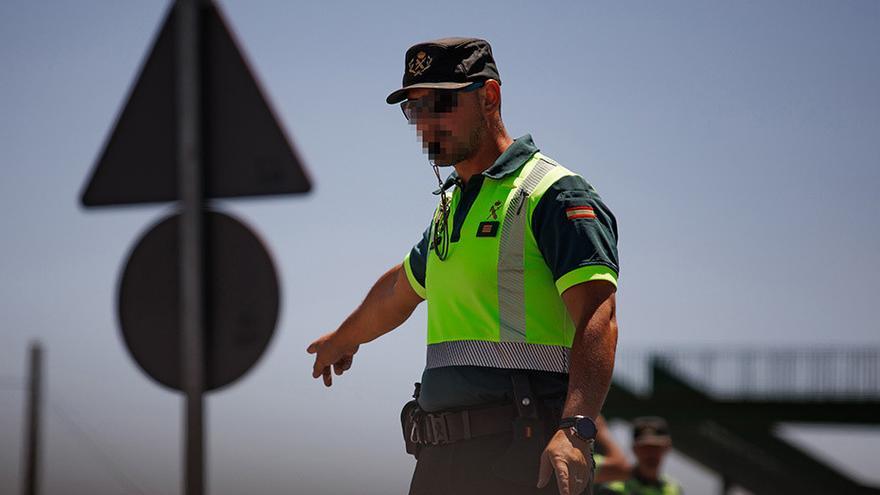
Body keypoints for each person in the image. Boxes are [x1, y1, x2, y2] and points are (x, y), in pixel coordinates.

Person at [308, 37, 620, 495]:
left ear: (489, 96)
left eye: (439, 104)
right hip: (442, 459)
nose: (425, 124)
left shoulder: (553, 193)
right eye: (415, 109)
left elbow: (599, 315)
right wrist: (344, 337)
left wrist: (577, 430)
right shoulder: (451, 204)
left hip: (521, 457)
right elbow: (401, 287)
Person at [596, 417, 683, 495]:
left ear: (667, 448)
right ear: (634, 449)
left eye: (656, 447)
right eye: (645, 447)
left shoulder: (674, 489)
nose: (651, 453)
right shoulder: (614, 488)